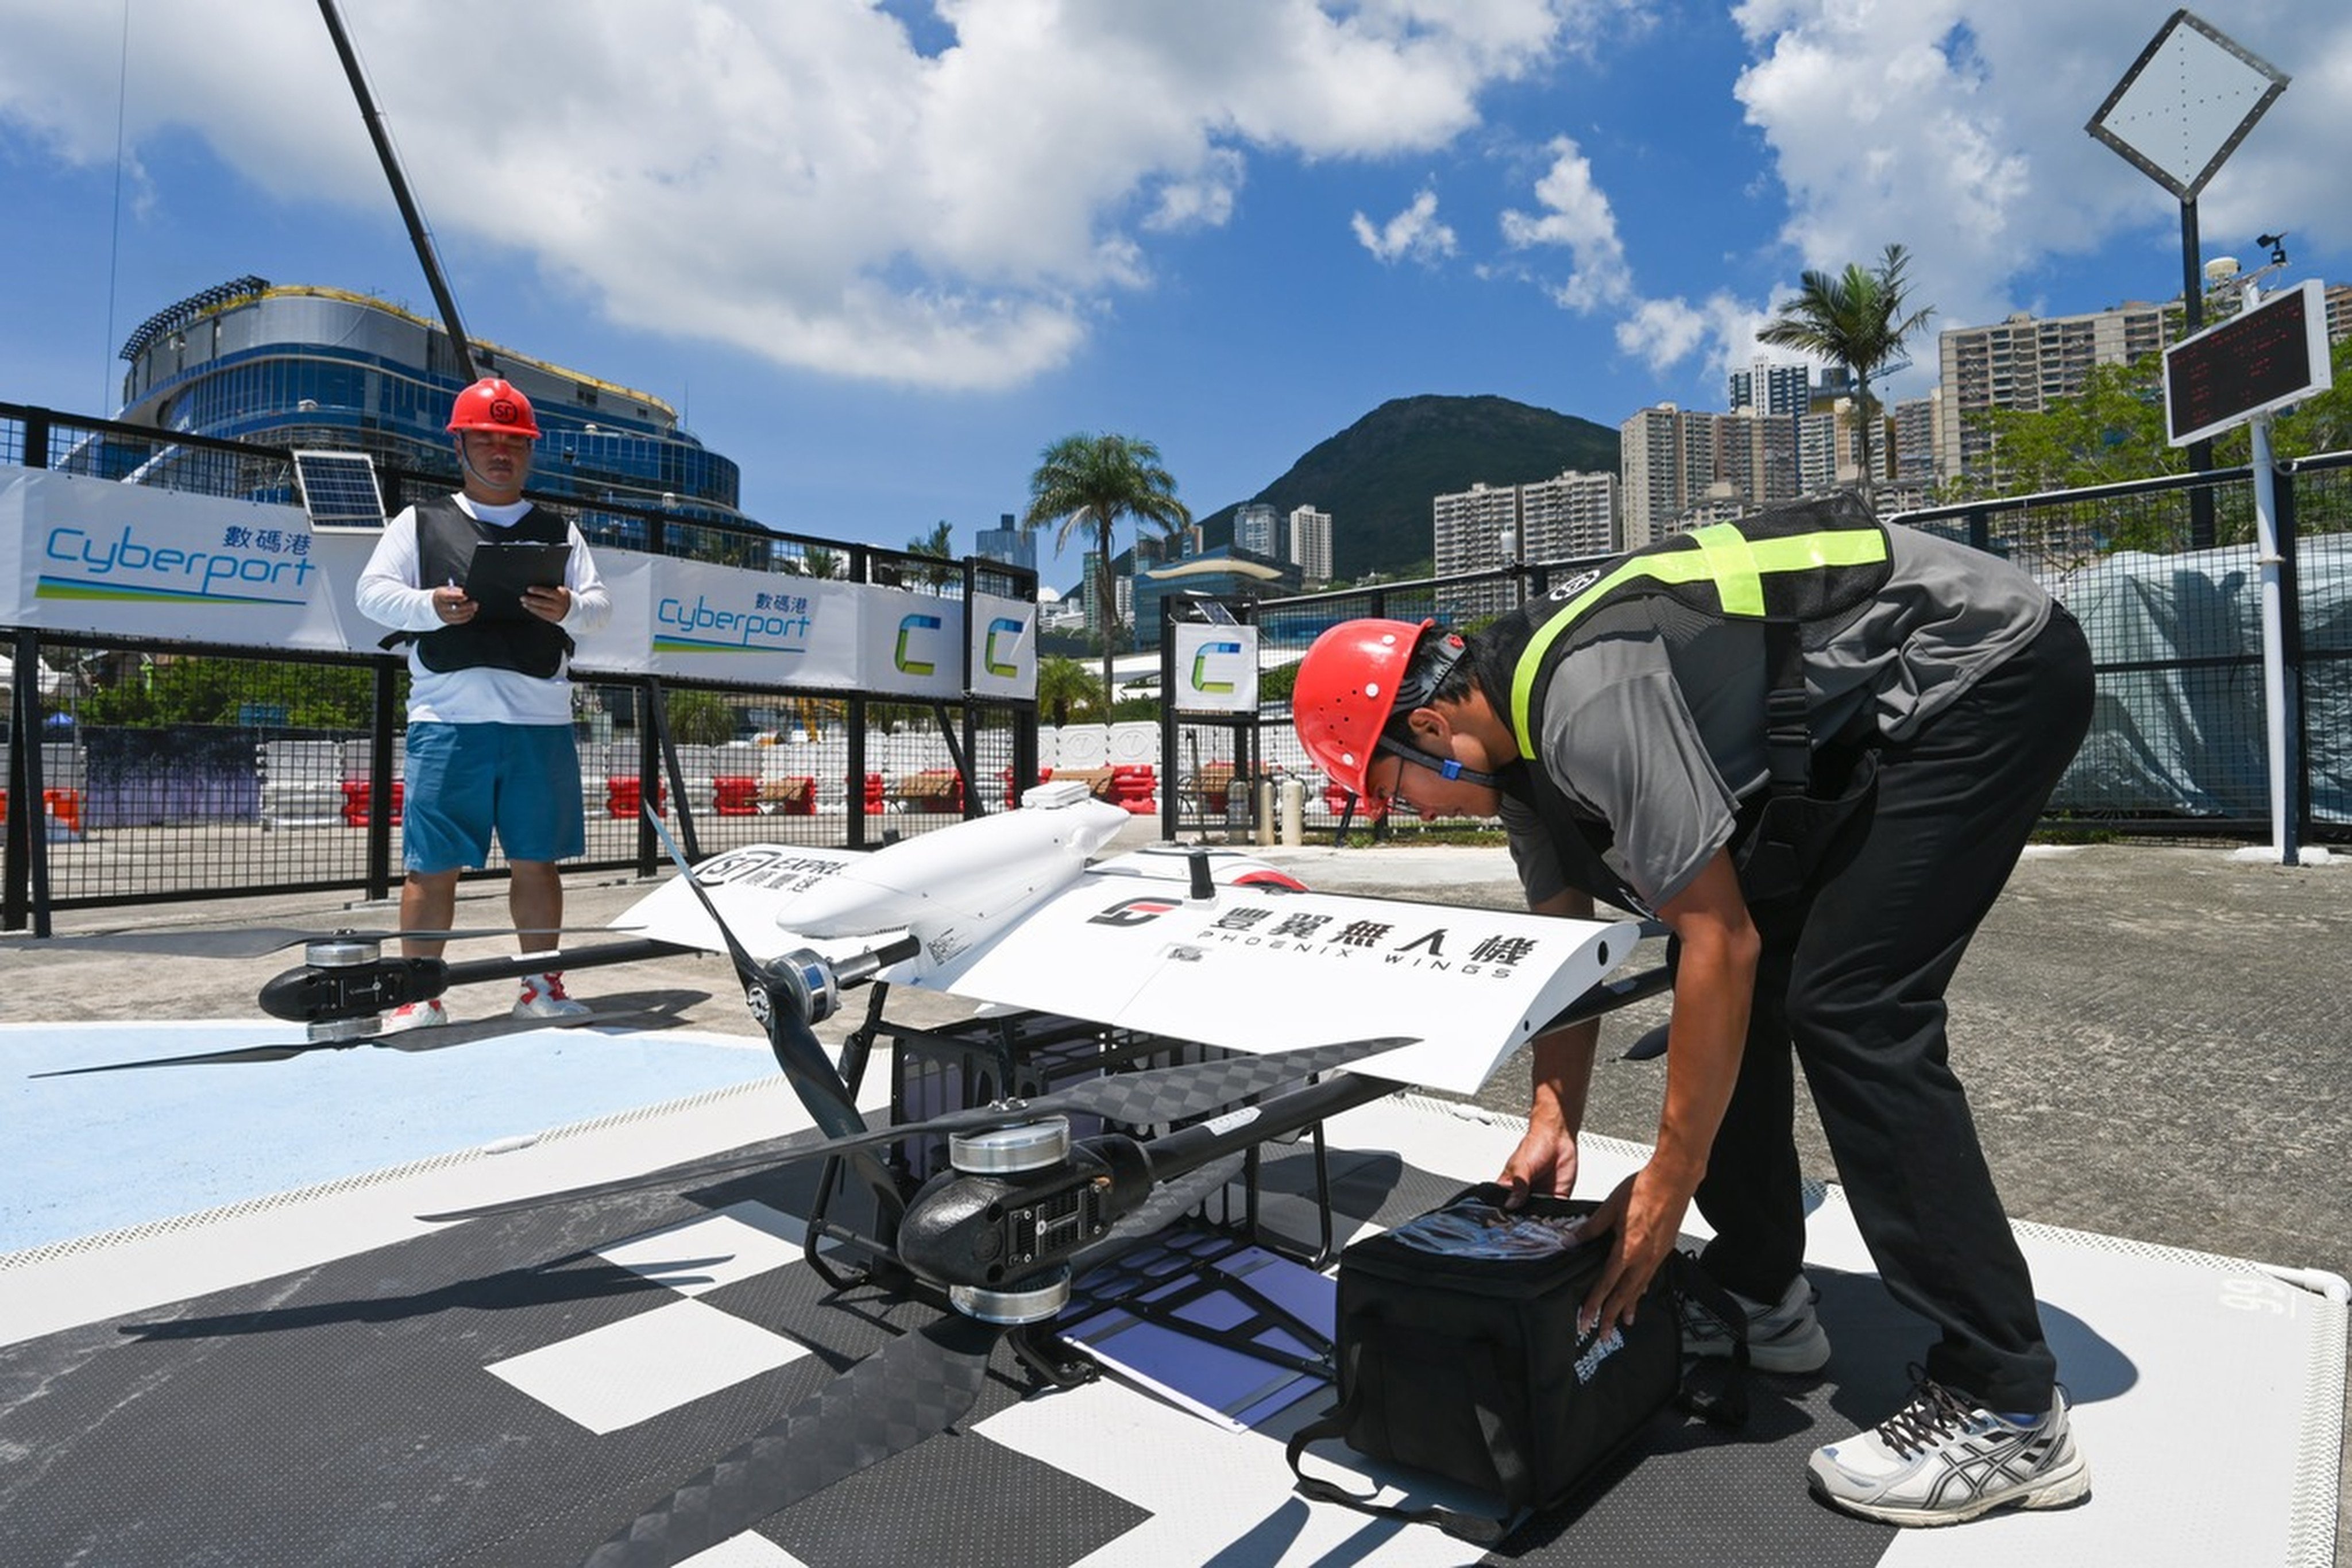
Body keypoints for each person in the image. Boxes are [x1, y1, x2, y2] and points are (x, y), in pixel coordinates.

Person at [1291, 491, 2094, 1528]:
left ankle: (2005, 1403)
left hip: (1984, 669)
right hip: (1878, 718)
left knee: (1854, 1007)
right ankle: (1766, 1294)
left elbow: (1720, 936)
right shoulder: (1528, 766)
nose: (1405, 814)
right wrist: (1553, 1118)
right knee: (1739, 1002)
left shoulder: (1580, 701)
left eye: (1393, 791)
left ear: (1435, 727)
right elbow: (1565, 952)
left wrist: (1668, 1184)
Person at [356, 377, 613, 1029]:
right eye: (488, 439)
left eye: (515, 442)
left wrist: (571, 608)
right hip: (449, 722)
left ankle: (540, 989)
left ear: (530, 451)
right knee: (431, 868)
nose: (503, 452)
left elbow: (600, 609)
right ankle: (418, 996)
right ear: (460, 445)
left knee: (538, 863)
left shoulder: (561, 530)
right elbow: (371, 594)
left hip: (539, 722)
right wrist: (431, 606)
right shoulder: (420, 521)